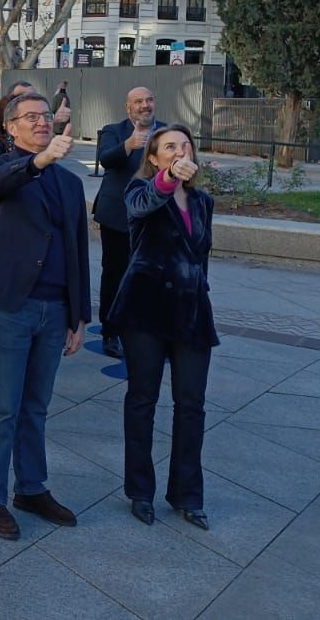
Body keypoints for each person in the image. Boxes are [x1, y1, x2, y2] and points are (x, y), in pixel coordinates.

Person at [0, 92, 90, 541]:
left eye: (46, 116)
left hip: (55, 310)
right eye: (31, 118)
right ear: (10, 127)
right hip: (9, 309)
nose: (42, 123)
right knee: (3, 408)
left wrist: (80, 316)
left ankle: (31, 488)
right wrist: (37, 163)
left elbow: (77, 249)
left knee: (36, 407)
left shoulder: (71, 183)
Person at [105, 123, 215, 530]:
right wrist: (168, 179)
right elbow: (142, 206)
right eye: (169, 146)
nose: (180, 150)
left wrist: (201, 291)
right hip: (145, 312)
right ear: (153, 158)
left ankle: (188, 495)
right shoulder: (139, 190)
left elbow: (201, 257)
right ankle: (140, 491)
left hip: (191, 313)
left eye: (185, 145)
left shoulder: (203, 201)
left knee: (192, 406)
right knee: (142, 401)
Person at [93, 87, 161, 360]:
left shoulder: (167, 131)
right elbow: (106, 159)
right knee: (115, 274)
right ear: (128, 107)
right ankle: (110, 330)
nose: (145, 105)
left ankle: (143, 326)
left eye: (149, 100)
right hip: (117, 216)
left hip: (154, 217)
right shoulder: (114, 130)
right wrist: (129, 145)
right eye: (139, 102)